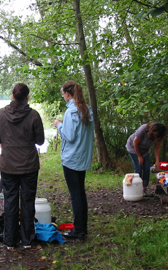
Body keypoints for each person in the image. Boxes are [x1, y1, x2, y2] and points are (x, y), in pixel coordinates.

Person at [0, 83, 45, 250]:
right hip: (28, 164)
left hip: (8, 165)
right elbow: (40, 140)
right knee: (28, 201)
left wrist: (7, 140)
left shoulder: (1, 114)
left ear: (12, 95)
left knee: (10, 201)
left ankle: (10, 241)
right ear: (27, 97)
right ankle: (27, 240)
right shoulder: (34, 115)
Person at [53, 80, 94, 240]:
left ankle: (78, 230)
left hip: (71, 159)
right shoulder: (87, 109)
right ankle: (82, 226)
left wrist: (59, 125)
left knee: (75, 194)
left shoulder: (71, 112)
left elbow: (69, 136)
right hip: (82, 157)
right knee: (80, 193)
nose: (63, 96)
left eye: (63, 94)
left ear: (68, 94)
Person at [126, 122, 167, 197]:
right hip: (133, 148)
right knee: (138, 168)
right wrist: (139, 156)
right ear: (152, 130)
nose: (155, 135)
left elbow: (157, 148)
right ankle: (137, 188)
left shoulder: (158, 136)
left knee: (147, 168)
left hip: (145, 151)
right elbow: (135, 143)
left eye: (157, 134)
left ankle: (144, 189)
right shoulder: (143, 129)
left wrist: (157, 161)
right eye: (155, 133)